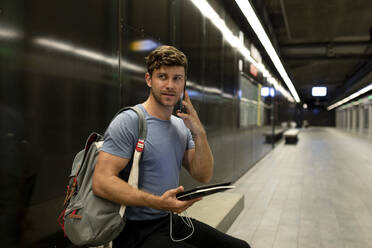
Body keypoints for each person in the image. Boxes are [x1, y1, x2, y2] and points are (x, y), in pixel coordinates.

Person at [92, 45, 250, 248]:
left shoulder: (180, 126)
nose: (170, 85)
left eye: (177, 78)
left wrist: (199, 132)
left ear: (184, 83)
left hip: (168, 222)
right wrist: (157, 202)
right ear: (149, 79)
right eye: (162, 77)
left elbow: (203, 175)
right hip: (133, 230)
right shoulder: (129, 121)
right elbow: (102, 182)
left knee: (241, 247)